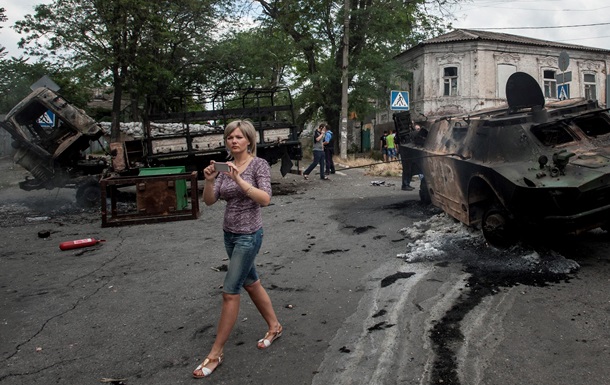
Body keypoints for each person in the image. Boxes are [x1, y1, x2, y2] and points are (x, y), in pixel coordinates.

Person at [195, 120, 282, 379]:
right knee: (251, 282)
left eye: (239, 137)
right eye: (229, 137)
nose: (233, 141)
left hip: (249, 235)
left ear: (249, 141)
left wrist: (239, 179)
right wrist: (209, 181)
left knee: (230, 291)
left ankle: (216, 352)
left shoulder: (258, 165)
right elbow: (210, 201)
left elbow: (265, 199)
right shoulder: (223, 167)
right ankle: (275, 326)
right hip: (229, 234)